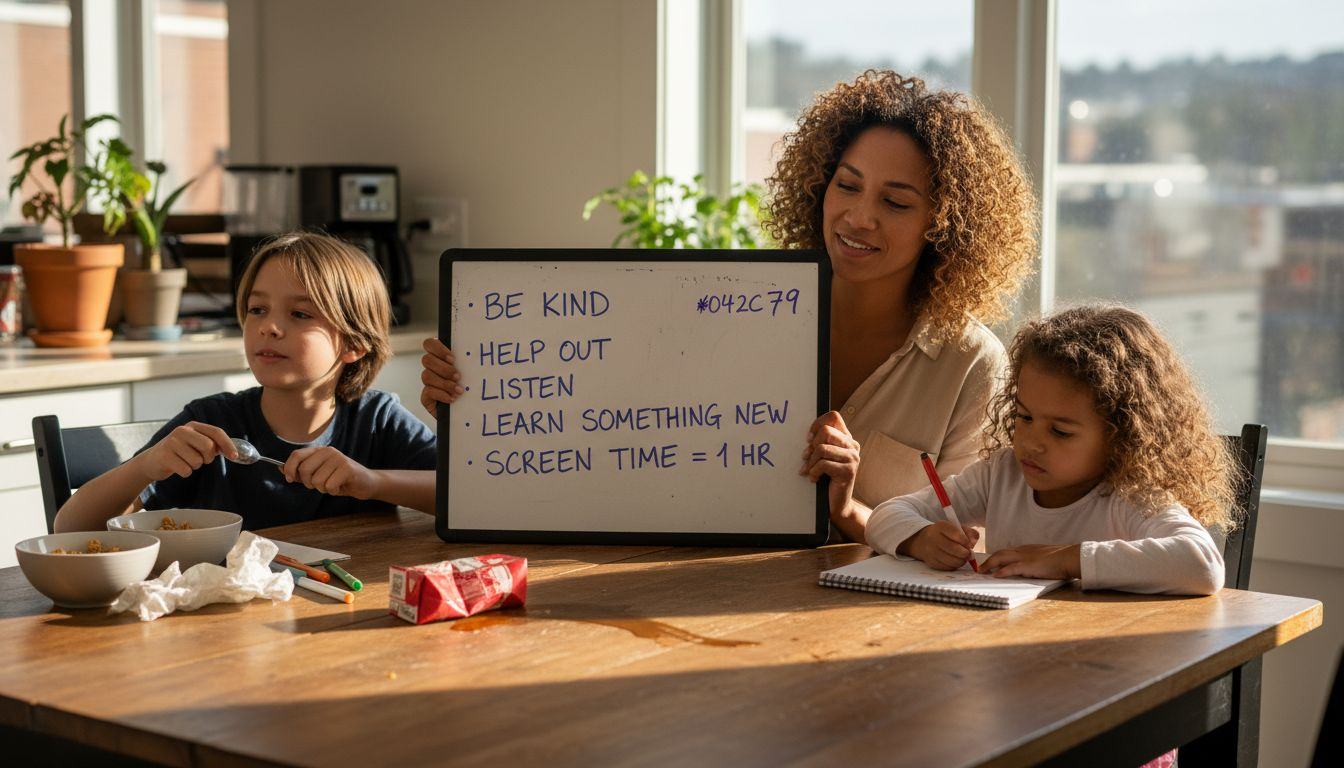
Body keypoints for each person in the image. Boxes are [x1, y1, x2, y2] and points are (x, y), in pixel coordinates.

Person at [419, 71, 1036, 540]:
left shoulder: (971, 365)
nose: (860, 216)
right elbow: (619, 445)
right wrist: (477, 402)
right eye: (846, 185)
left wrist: (851, 512)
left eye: (896, 202)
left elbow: (957, 548)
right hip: (696, 601)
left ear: (945, 226)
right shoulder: (731, 311)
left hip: (870, 630)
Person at [53, 231, 437, 533]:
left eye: (300, 314)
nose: (268, 327)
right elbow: (70, 527)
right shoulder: (210, 421)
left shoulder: (377, 420)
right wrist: (146, 466)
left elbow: (471, 497)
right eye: (257, 309)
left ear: (354, 343)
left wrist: (373, 482)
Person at [860, 304, 1237, 596]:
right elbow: (887, 514)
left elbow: (1201, 565)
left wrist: (1063, 560)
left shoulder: (1128, 494)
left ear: (1121, 435)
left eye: (1060, 431)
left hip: (1101, 668)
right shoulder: (1001, 475)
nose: (1031, 442)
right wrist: (920, 538)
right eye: (1024, 417)